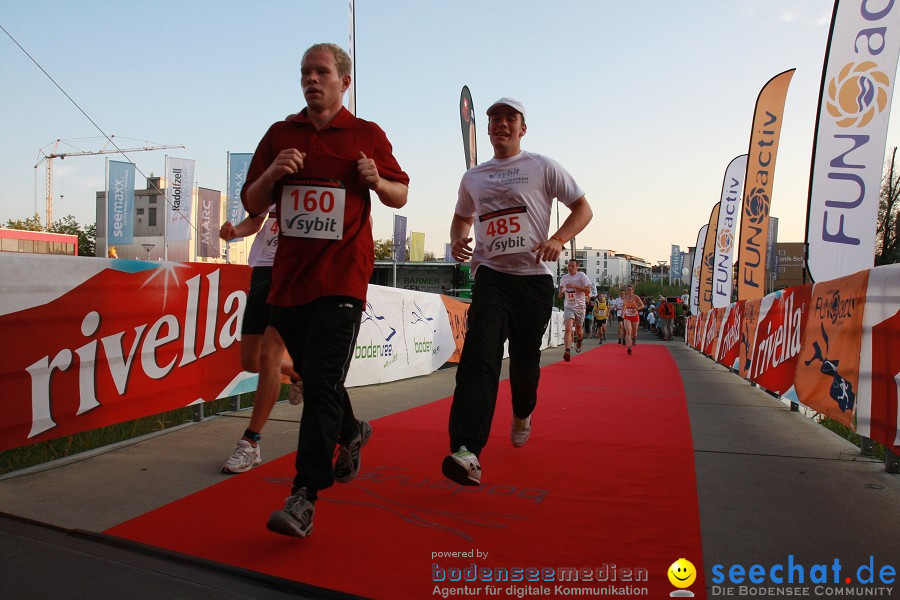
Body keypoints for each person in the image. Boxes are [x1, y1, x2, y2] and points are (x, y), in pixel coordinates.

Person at [242, 42, 409, 538]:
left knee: (316, 389)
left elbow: (401, 194)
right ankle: (353, 431)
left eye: (321, 72)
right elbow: (252, 203)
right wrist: (273, 174)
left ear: (344, 81)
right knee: (313, 376)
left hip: (342, 277)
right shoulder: (280, 134)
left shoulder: (366, 134)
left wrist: (377, 179)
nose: (311, 80)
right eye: (305, 72)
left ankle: (303, 496)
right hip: (290, 278)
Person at [443, 97, 592, 486]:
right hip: (491, 276)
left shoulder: (542, 166)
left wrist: (559, 239)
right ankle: (466, 450)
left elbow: (583, 209)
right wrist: (459, 240)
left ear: (522, 128)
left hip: (534, 281)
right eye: (495, 119)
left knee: (525, 363)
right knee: (480, 359)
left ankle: (522, 411)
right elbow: (460, 218)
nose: (501, 125)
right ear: (489, 128)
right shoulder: (473, 177)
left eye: (510, 119)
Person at [219, 211, 303, 475]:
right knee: (251, 361)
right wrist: (236, 232)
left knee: (268, 356)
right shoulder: (276, 173)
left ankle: (251, 440)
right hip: (264, 270)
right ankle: (298, 373)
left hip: (295, 271)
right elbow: (255, 221)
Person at [559, 259, 592, 362]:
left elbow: (588, 290)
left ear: (577, 267)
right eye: (569, 265)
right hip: (569, 305)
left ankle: (579, 340)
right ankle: (567, 351)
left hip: (580, 306)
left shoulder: (581, 276)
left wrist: (575, 286)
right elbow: (561, 289)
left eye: (573, 265)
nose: (570, 267)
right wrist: (561, 293)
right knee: (568, 328)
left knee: (578, 330)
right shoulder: (564, 277)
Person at [622, 284, 644, 354]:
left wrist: (637, 309)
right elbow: (624, 305)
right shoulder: (624, 297)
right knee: (628, 331)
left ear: (633, 290)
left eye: (630, 289)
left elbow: (642, 305)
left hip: (634, 315)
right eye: (627, 289)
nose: (629, 291)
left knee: (634, 333)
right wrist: (623, 311)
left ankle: (634, 338)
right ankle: (629, 347)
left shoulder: (636, 297)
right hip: (627, 315)